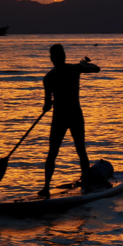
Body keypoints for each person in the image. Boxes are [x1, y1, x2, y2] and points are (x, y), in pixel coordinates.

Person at [38, 44, 100, 198]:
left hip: (59, 117)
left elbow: (47, 105)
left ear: (51, 59)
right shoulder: (74, 69)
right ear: (64, 56)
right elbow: (96, 68)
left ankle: (46, 187)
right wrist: (84, 65)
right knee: (81, 150)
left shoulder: (48, 78)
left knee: (53, 152)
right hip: (75, 115)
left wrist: (46, 106)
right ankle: (87, 185)